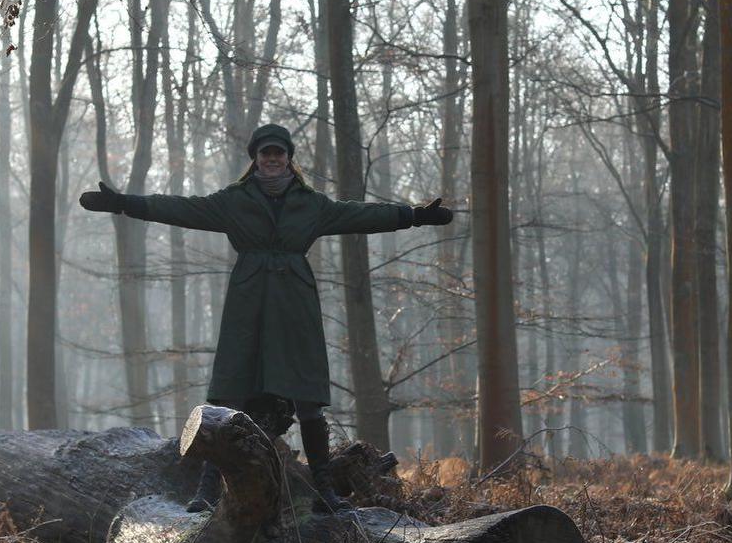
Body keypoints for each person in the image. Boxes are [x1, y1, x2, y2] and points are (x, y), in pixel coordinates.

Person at [79, 123, 452, 512]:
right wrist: (125, 203)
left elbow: (358, 215)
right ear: (255, 159)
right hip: (248, 303)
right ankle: (207, 491)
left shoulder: (311, 204)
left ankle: (324, 488)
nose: (272, 159)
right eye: (265, 154)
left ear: (288, 158)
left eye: (278, 153)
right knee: (230, 394)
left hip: (295, 305)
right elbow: (181, 208)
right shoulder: (233, 201)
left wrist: (413, 215)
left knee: (308, 398)